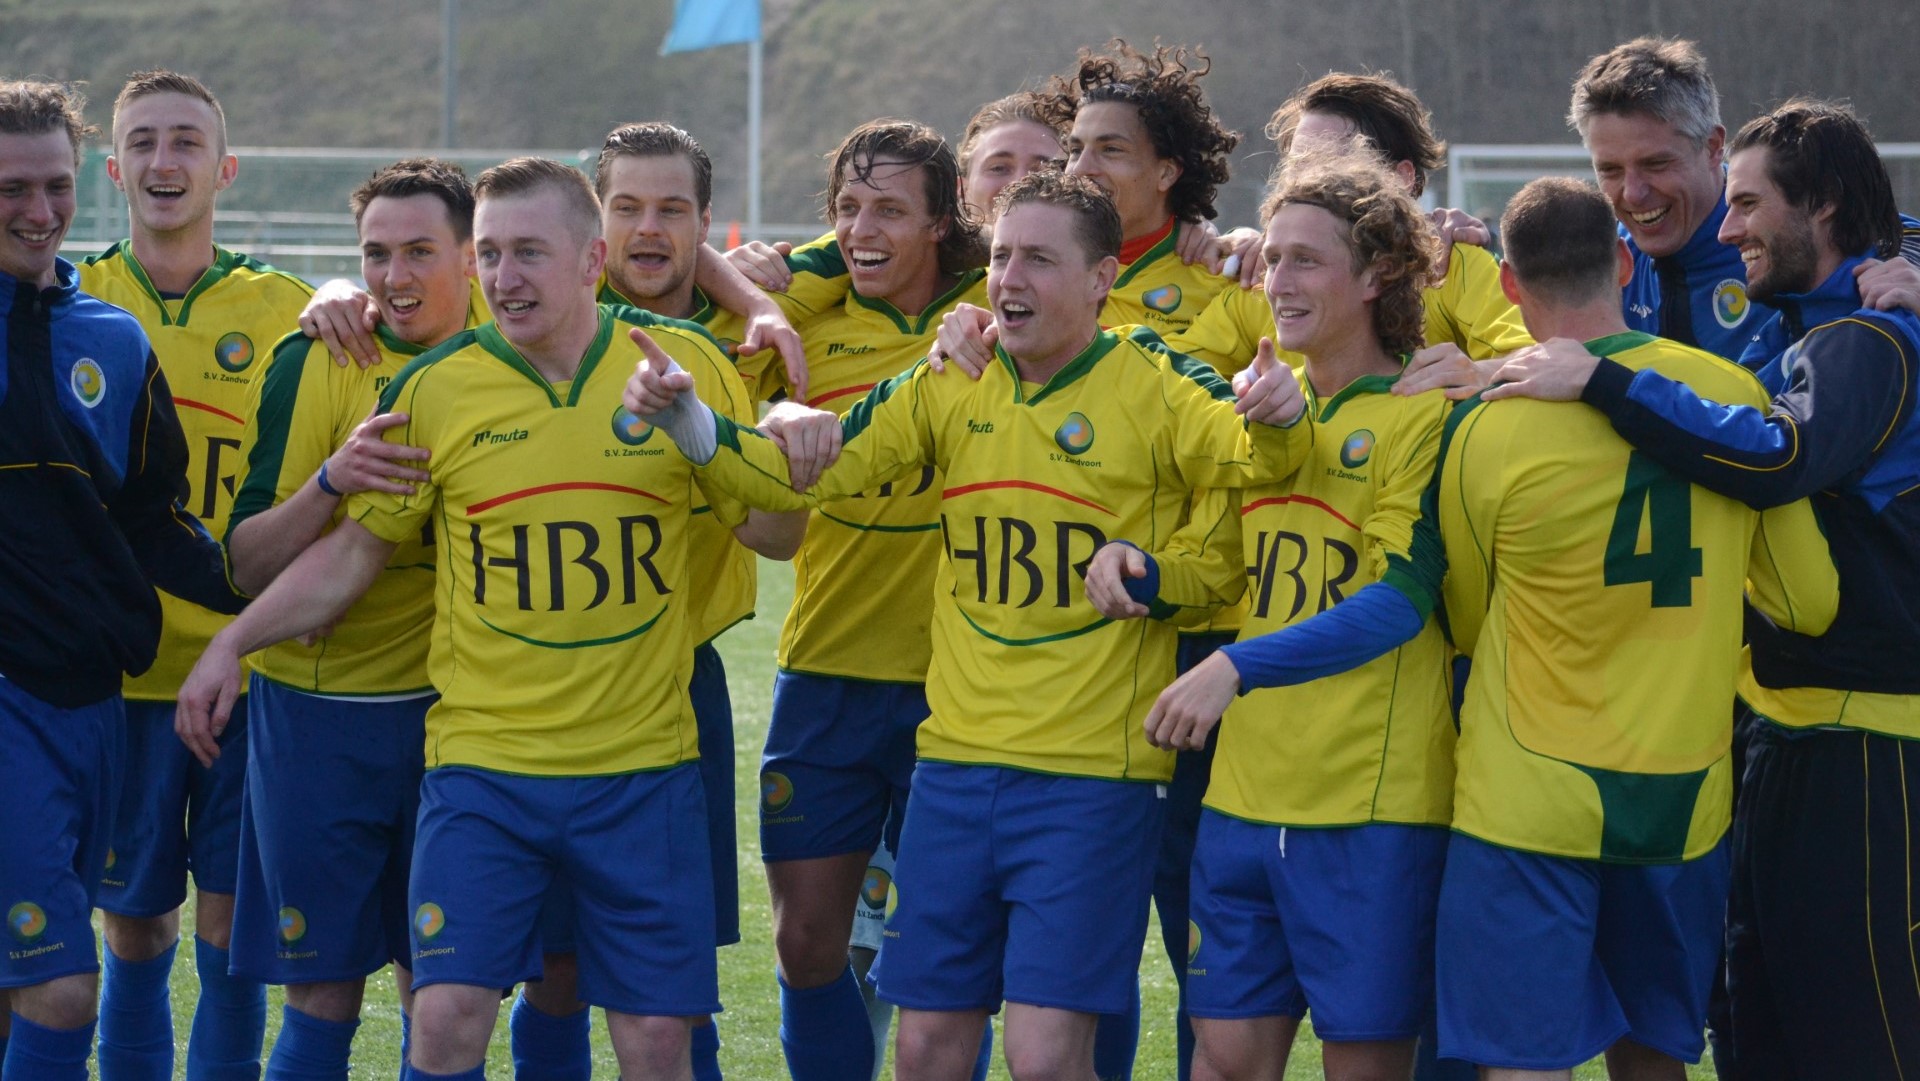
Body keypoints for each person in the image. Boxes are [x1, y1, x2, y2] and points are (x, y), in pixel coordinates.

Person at [624, 168, 1313, 1081]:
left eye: (1038, 259)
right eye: (999, 258)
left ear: (1103, 278)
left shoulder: (1156, 380)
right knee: (928, 1047)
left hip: (1090, 780)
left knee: (1040, 1053)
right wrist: (694, 424)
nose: (1010, 279)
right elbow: (813, 474)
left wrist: (1277, 415)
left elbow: (1250, 461)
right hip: (952, 768)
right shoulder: (952, 379)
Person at [1155, 172, 1839, 1079]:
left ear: (1509, 289)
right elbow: (1806, 603)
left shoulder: (1483, 425)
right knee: (1655, 1058)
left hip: (1524, 795)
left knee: (1519, 1061)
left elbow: (1463, 614)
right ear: (1626, 261)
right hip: (1683, 793)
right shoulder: (1730, 396)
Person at [176, 156, 773, 1081]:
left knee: (658, 1041)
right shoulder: (436, 388)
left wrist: (711, 431)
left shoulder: (679, 363)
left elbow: (777, 528)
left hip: (643, 770)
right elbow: (353, 553)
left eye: (528, 251)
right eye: (490, 253)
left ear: (592, 260)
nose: (504, 277)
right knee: (446, 1019)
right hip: (483, 771)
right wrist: (231, 641)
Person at [1481, 99, 1920, 1080]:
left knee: (1862, 1040)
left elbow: (1775, 457)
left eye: (1750, 205)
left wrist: (1600, 380)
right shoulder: (1795, 334)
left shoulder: (1871, 337)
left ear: (1831, 204)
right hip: (1784, 743)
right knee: (1759, 1029)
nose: (1727, 229)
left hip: (1868, 755)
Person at [1145, 148, 1457, 1081]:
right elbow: (1227, 569)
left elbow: (1399, 604)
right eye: (1272, 257)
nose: (1276, 279)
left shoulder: (1428, 417)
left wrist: (1237, 666)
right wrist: (1145, 572)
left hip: (1368, 806)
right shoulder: (1263, 411)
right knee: (1224, 1058)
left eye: (1306, 259)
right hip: (1242, 798)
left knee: (1361, 1065)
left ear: (1378, 275)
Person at [507, 121, 807, 1081]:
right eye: (625, 207)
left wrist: (753, 301)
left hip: (677, 688)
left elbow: (776, 534)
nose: (648, 228)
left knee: (677, 988)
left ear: (707, 224)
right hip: (535, 693)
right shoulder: (533, 331)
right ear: (592, 227)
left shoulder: (733, 346)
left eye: (672, 209)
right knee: (550, 969)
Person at [0, 77, 248, 1081]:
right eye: (12, 187)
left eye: (55, 186)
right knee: (63, 988)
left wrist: (278, 596)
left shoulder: (111, 338)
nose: (39, 210)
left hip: (93, 707)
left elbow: (154, 523)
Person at [218, 157, 482, 1080]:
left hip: (462, 721)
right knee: (322, 993)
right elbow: (247, 564)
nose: (395, 277)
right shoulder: (317, 359)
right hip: (316, 716)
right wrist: (335, 479)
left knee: (446, 989)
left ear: (474, 257)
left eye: (420, 251)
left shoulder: (516, 352)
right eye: (374, 255)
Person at [76, 69, 315, 1081]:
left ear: (224, 167)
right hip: (115, 678)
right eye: (143, 142)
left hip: (252, 675)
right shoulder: (72, 301)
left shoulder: (295, 310)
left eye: (185, 142)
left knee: (230, 930)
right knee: (133, 929)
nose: (163, 162)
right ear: (112, 165)